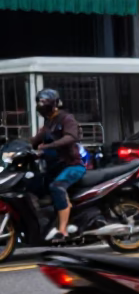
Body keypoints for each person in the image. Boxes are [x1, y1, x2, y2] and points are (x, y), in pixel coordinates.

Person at [29, 89, 86, 242]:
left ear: (55, 105)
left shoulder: (66, 119)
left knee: (57, 187)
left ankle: (62, 231)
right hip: (54, 168)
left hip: (72, 166)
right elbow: (34, 141)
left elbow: (70, 137)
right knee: (34, 183)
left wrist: (48, 146)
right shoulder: (48, 123)